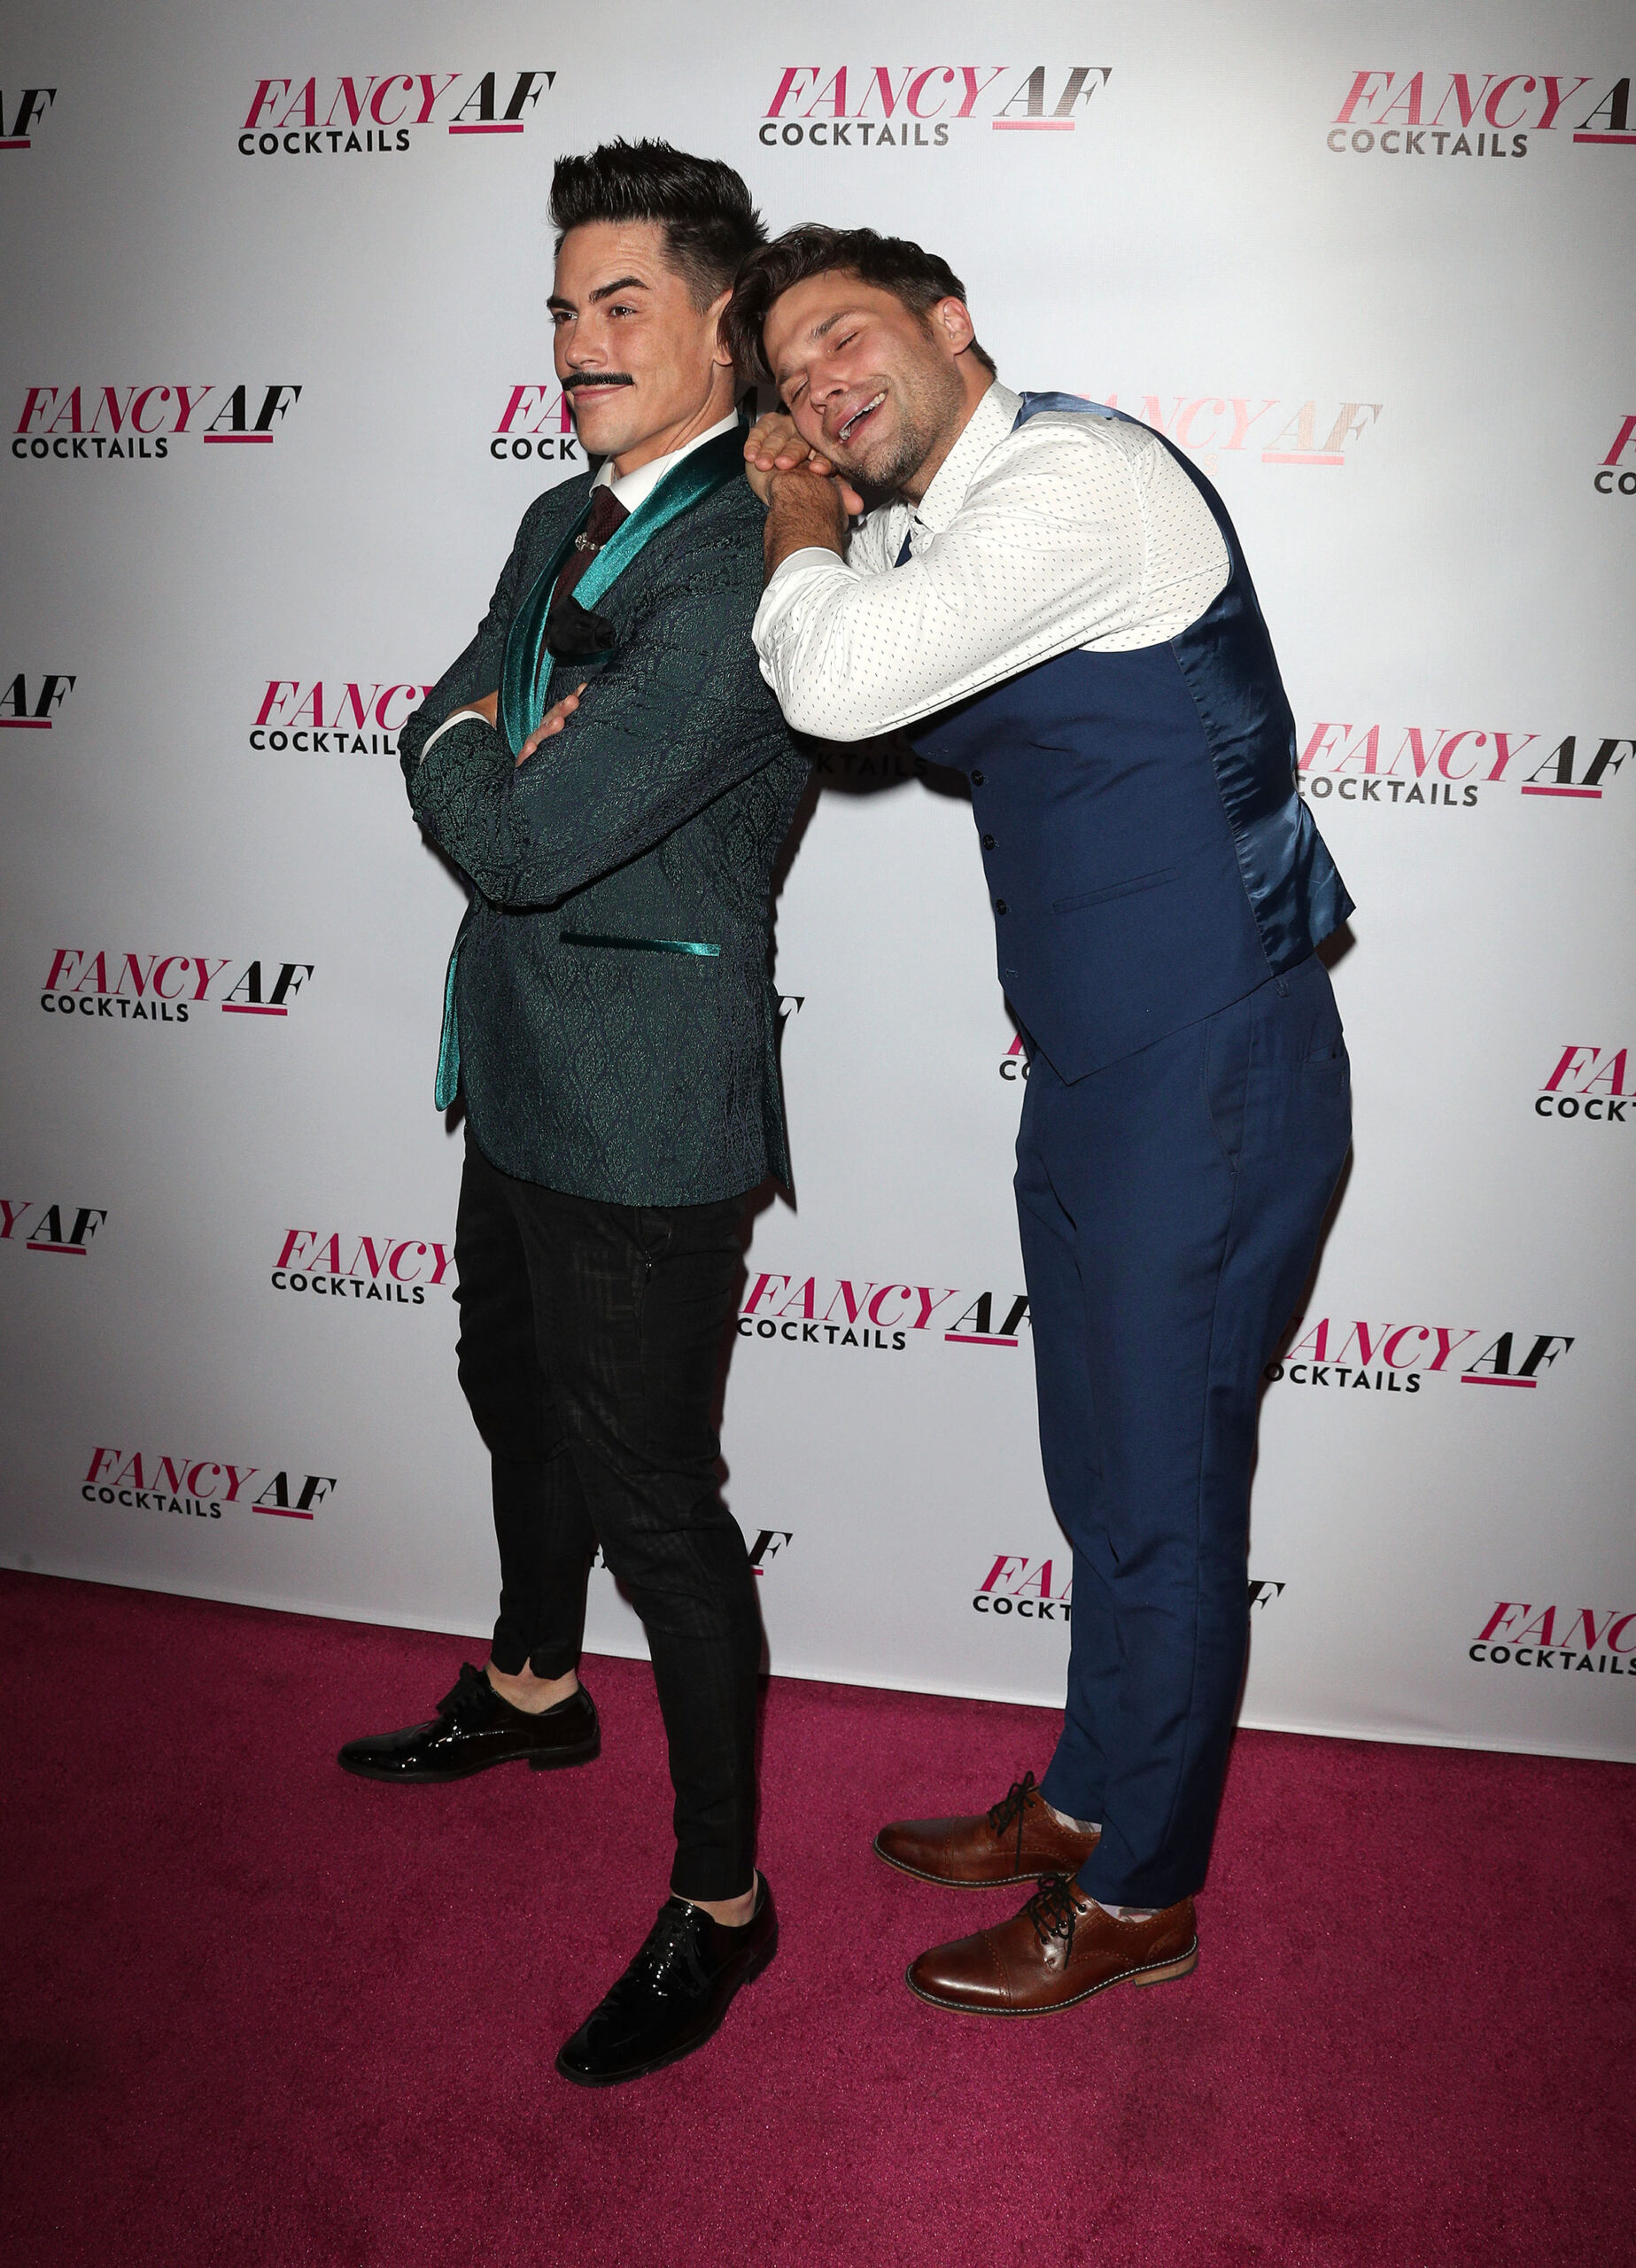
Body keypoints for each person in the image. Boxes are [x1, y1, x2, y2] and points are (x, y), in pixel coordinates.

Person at [727, 226, 1353, 2016]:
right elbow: (895, 677)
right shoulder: (941, 531)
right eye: (788, 382)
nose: (818, 388)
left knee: (1160, 1500)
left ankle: (1145, 1892)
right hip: (1093, 1080)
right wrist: (830, 522)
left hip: (1213, 1077)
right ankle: (1089, 1792)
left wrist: (795, 517)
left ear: (950, 322)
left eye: (842, 337)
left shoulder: (1079, 481)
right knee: (1103, 1478)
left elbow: (840, 684)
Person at [337, 142, 807, 2085]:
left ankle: (723, 1903)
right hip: (518, 1063)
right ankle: (540, 1678)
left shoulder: (754, 558)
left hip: (645, 1107)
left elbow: (513, 826)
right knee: (506, 1383)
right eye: (561, 305)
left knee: (663, 1509)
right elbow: (452, 708)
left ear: (721, 322)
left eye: (623, 305)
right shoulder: (559, 514)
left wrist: (470, 748)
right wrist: (470, 733)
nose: (579, 341)